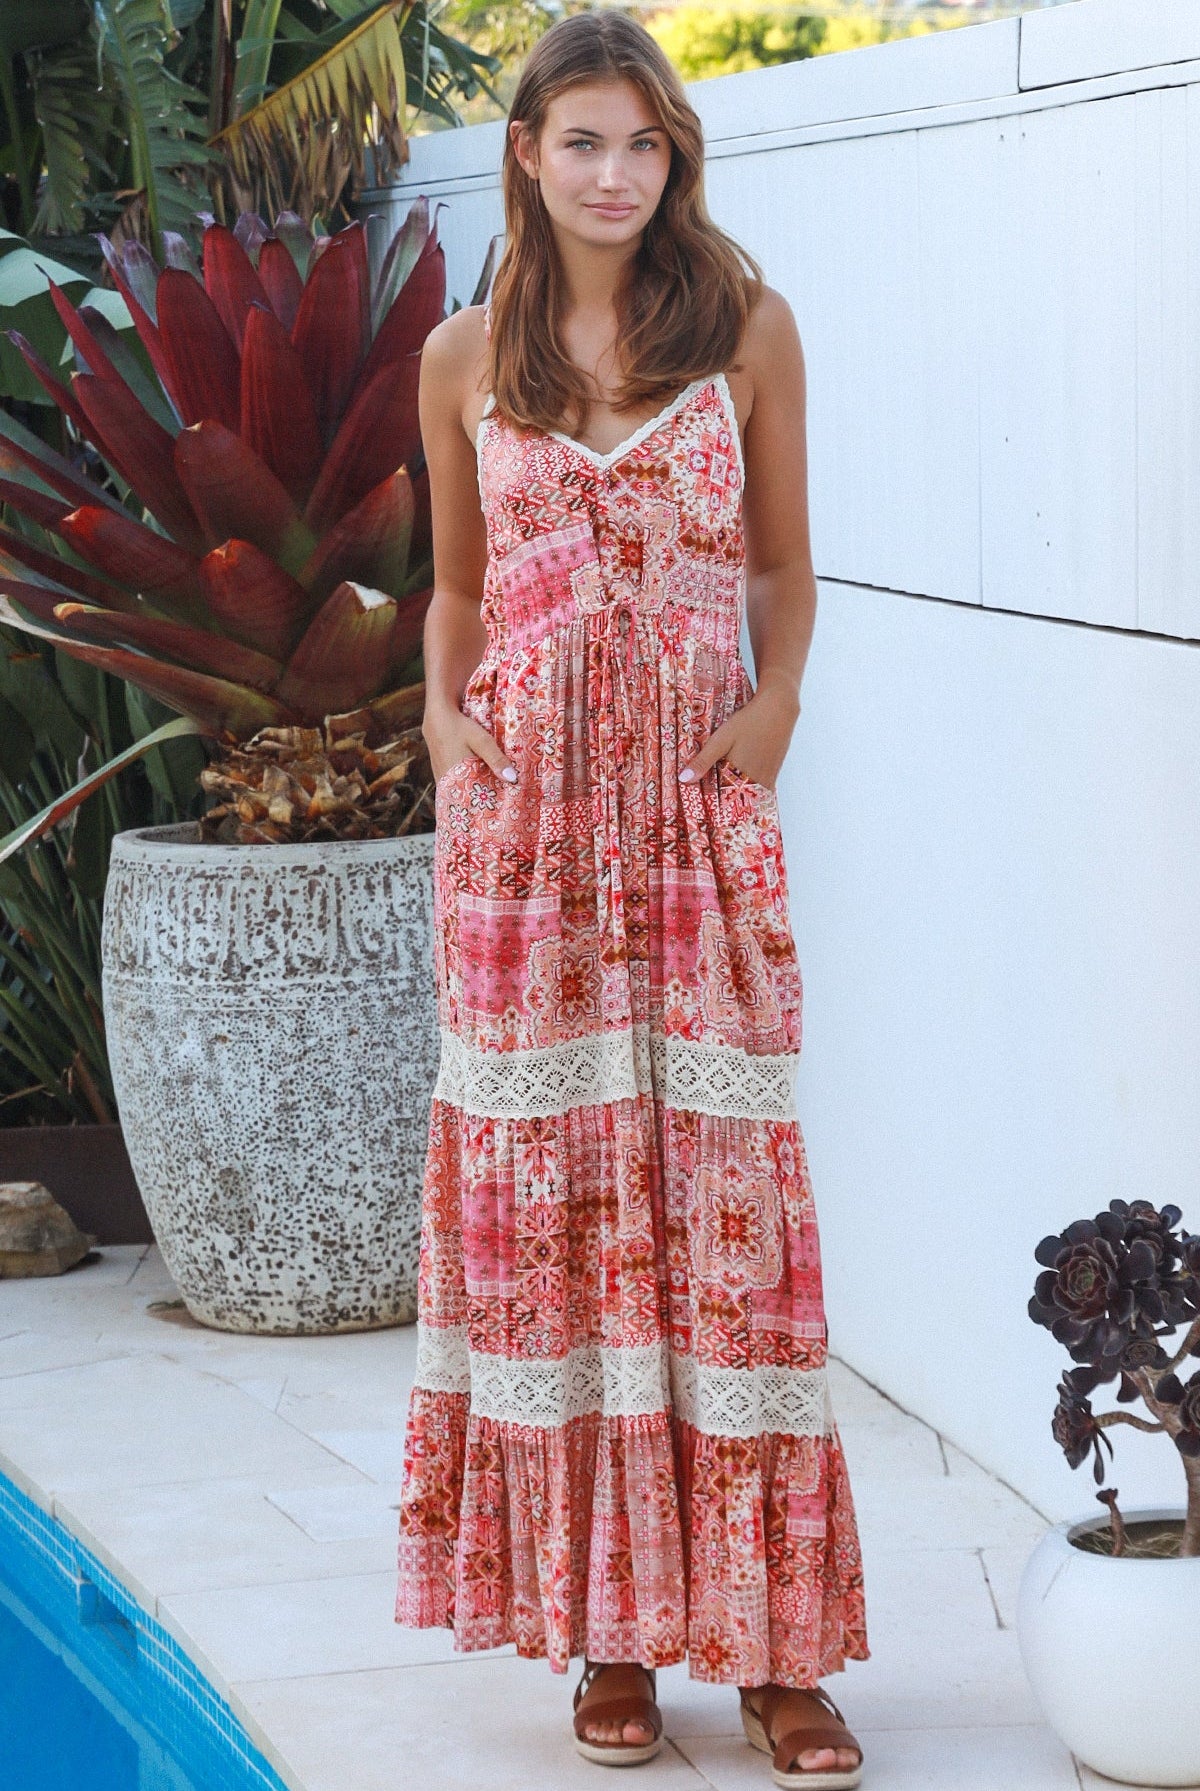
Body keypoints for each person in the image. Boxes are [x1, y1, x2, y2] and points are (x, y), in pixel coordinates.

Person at [395, 10, 870, 1783]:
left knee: (727, 1212)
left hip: (691, 810)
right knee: (566, 1230)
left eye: (643, 146)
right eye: (582, 141)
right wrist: (450, 731)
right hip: (526, 843)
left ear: (674, 159)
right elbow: (454, 594)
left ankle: (780, 1651)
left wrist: (772, 711)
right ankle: (609, 1640)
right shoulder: (461, 359)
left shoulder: (745, 329)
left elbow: (782, 567)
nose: (614, 174)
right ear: (526, 151)